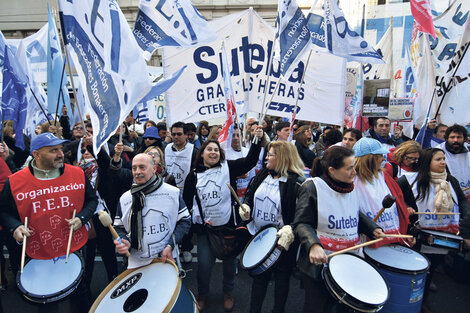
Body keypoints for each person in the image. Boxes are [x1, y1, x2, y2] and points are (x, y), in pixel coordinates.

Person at [0, 132, 97, 313]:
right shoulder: (15, 181)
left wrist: (82, 218)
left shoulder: (77, 173)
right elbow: (4, 211)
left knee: (80, 297)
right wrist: (15, 226)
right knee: (47, 303)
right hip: (38, 249)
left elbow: (92, 200)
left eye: (61, 149)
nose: (61, 154)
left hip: (73, 246)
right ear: (36, 154)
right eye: (53, 150)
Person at [294, 146, 384, 313]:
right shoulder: (312, 187)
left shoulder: (351, 185)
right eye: (349, 168)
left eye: (354, 167)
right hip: (320, 263)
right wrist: (313, 245)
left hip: (350, 259)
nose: (354, 172)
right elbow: (301, 223)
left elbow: (354, 212)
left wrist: (372, 228)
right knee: (317, 308)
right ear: (332, 170)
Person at [183, 128, 264, 312]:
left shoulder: (229, 168)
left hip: (229, 228)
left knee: (229, 265)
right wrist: (190, 231)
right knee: (204, 265)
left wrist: (258, 139)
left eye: (216, 150)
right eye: (209, 149)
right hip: (206, 231)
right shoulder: (193, 176)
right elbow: (188, 204)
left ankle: (228, 292)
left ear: (220, 154)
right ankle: (202, 294)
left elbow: (251, 161)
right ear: (201, 153)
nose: (213, 152)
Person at [397, 148, 470, 309]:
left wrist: (466, 218)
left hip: (444, 235)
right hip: (418, 235)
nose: (443, 162)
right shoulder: (409, 180)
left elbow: (463, 202)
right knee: (417, 269)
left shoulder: (450, 180)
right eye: (438, 159)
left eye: (444, 159)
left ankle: (424, 298)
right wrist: (407, 206)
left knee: (433, 266)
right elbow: (396, 196)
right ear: (426, 162)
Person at [241, 141, 305, 313]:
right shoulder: (263, 174)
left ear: (282, 158)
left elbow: (303, 215)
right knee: (259, 279)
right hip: (259, 237)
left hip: (281, 242)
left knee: (282, 279)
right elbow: (250, 194)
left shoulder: (297, 183)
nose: (266, 157)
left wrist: (290, 230)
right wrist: (246, 206)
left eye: (270, 154)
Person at [113, 153, 191, 269]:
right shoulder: (125, 198)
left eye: (142, 167)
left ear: (154, 169)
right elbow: (118, 227)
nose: (137, 172)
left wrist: (170, 245)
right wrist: (124, 241)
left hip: (166, 260)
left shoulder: (172, 192)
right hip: (136, 263)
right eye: (134, 168)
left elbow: (185, 221)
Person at [353, 138, 412, 247]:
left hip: (391, 236)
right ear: (370, 159)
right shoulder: (351, 180)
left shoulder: (384, 176)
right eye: (380, 156)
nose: (383, 159)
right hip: (366, 240)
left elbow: (399, 200)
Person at [435, 124, 470, 200]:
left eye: (459, 137)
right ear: (446, 138)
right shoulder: (438, 151)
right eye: (452, 137)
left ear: (464, 138)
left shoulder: (469, 149)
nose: (455, 140)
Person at [225, 125, 255, 203]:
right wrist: (237, 176)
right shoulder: (225, 153)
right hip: (233, 195)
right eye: (233, 135)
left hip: (246, 194)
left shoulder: (248, 152)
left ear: (242, 137)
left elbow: (253, 175)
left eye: (238, 135)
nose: (235, 138)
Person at [164, 122, 197, 189]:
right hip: (169, 188)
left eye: (179, 134)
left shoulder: (194, 150)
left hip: (187, 189)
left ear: (186, 135)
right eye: (173, 134)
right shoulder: (166, 148)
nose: (176, 137)